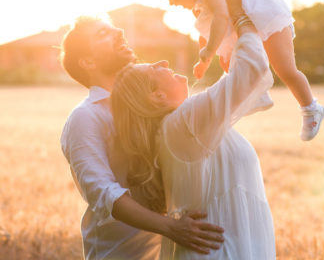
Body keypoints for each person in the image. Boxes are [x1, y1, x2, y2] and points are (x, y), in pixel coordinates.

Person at [111, 0, 276, 259]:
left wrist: (227, 46)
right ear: (156, 97)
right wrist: (237, 15)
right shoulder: (183, 123)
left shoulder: (185, 124)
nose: (163, 62)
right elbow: (253, 68)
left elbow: (245, 85)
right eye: (154, 69)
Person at [60, 16, 224, 260]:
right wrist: (171, 227)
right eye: (102, 34)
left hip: (172, 251)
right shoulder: (86, 117)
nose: (118, 31)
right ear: (88, 61)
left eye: (113, 26)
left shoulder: (150, 102)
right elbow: (104, 194)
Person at [153, 0, 324, 141]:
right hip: (245, 23)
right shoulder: (201, 0)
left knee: (285, 69)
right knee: (228, 64)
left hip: (266, 16)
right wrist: (204, 60)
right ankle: (255, 94)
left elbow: (221, 17)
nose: (173, 3)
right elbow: (207, 31)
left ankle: (311, 108)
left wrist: (210, 50)